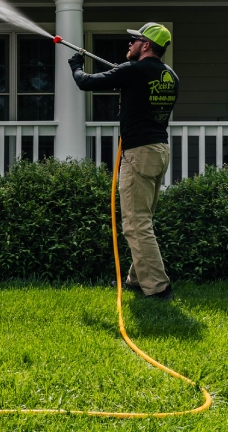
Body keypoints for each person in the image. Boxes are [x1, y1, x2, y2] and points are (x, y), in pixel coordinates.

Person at [68, 23, 179, 301]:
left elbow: (86, 83)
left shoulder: (134, 71)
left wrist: (76, 65)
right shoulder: (170, 76)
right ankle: (135, 278)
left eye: (135, 40)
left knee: (136, 223)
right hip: (160, 150)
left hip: (139, 153)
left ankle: (158, 288)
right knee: (144, 219)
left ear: (146, 45)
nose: (129, 44)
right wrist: (124, 72)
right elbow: (140, 92)